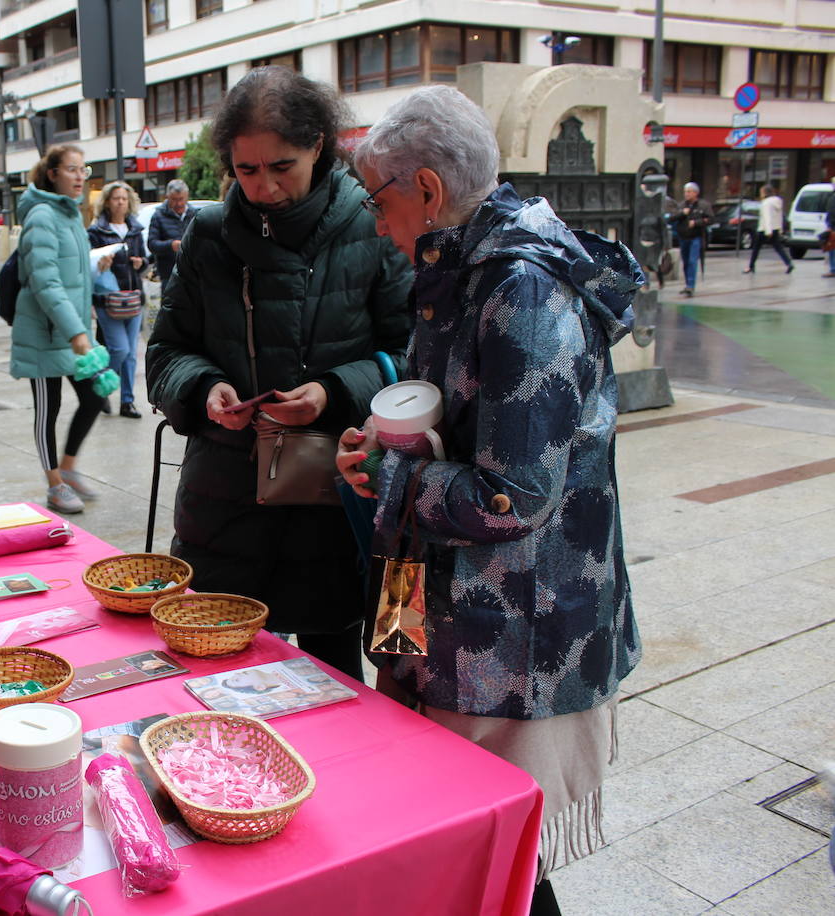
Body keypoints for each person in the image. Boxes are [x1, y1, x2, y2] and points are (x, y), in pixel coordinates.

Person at [336, 85, 643, 913]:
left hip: (509, 638)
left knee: (498, 859)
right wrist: (378, 448)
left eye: (378, 196)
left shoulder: (523, 291)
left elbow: (514, 499)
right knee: (454, 841)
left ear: (427, 189)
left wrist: (394, 480)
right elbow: (446, 423)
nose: (374, 219)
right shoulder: (460, 271)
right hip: (430, 604)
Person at [145, 67, 413, 679]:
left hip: (338, 490)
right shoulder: (208, 232)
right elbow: (165, 351)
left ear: (318, 145)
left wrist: (333, 390)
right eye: (247, 170)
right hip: (225, 496)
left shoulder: (370, 225)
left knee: (336, 673)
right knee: (220, 677)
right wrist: (201, 386)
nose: (263, 187)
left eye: (281, 167)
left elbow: (412, 356)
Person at [9, 144, 103, 515]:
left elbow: (73, 279)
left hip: (73, 331)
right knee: (48, 409)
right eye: (72, 169)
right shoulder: (42, 216)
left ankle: (68, 467)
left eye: (84, 169)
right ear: (52, 174)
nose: (80, 176)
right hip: (45, 333)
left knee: (96, 396)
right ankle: (54, 486)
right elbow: (46, 282)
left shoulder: (71, 217)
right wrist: (76, 332)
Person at [87, 180, 149, 419]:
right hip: (108, 299)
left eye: (124, 198)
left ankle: (127, 401)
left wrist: (140, 263)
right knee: (119, 349)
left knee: (131, 353)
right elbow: (88, 265)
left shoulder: (135, 229)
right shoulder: (96, 231)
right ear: (107, 202)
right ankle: (100, 388)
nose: (120, 202)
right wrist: (100, 266)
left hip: (133, 298)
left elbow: (145, 260)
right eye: (116, 198)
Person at [147, 179, 198, 284]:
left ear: (187, 196)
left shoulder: (195, 214)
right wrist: (171, 245)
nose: (178, 203)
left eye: (181, 199)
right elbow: (152, 244)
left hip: (193, 273)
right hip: (168, 274)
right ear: (167, 197)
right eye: (174, 199)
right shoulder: (158, 216)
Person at [672, 181, 712, 297]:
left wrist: (696, 222)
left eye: (689, 192)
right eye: (685, 192)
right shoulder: (681, 205)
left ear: (695, 193)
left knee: (692, 261)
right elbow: (672, 218)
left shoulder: (703, 205)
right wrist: (682, 214)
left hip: (696, 237)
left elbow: (711, 219)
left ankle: (691, 285)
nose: (687, 194)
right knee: (685, 261)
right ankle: (687, 284)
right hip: (683, 237)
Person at [743, 184, 793, 274]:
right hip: (775, 228)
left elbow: (767, 217)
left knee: (756, 248)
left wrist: (768, 231)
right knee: (778, 247)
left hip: (764, 229)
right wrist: (779, 229)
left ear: (765, 193)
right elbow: (779, 217)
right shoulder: (777, 202)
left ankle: (751, 266)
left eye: (761, 192)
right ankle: (789, 263)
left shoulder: (766, 203)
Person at [823, 191, 835, 279]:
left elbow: (831, 213)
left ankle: (833, 269)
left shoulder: (832, 197)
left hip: (833, 227)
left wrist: (830, 226)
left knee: (832, 248)